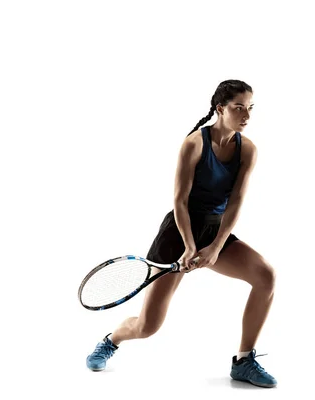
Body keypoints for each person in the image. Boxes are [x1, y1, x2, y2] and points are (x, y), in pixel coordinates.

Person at [85, 79, 277, 388]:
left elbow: (237, 200)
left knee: (265, 276)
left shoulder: (248, 149)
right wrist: (189, 246)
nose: (246, 115)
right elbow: (180, 201)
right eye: (238, 108)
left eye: (250, 108)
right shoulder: (194, 144)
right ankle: (112, 340)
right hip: (179, 231)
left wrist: (214, 247)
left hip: (216, 232)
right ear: (220, 109)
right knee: (148, 326)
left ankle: (243, 361)